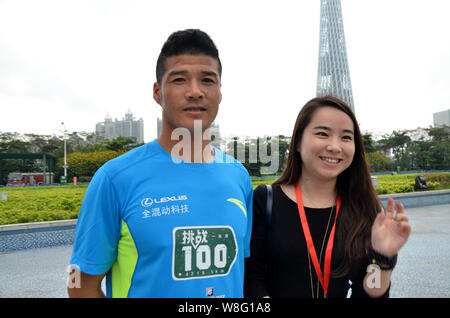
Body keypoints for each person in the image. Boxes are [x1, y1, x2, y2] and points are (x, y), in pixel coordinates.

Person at [68, 29, 253, 298]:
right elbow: (80, 286)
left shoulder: (239, 177)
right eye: (179, 80)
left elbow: (240, 271)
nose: (195, 91)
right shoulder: (115, 179)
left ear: (219, 93)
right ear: (158, 92)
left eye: (207, 80)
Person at [244, 96, 411, 298]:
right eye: (323, 134)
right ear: (297, 142)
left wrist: (382, 260)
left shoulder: (364, 209)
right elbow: (252, 279)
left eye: (346, 137)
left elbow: (368, 293)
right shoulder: (267, 200)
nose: (335, 146)